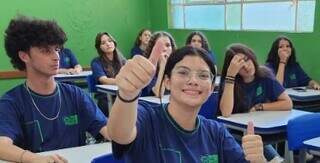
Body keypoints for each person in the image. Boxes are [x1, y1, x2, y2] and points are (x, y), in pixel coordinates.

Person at [107, 44, 267, 162]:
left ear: (211, 88)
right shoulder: (147, 117)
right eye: (183, 72)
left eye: (203, 76)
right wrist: (128, 95)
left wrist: (258, 160)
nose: (193, 81)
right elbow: (119, 134)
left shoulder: (216, 133)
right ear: (167, 81)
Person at [0, 16, 109, 163]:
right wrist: (35, 159)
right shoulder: (11, 102)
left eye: (57, 49)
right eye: (46, 50)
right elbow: (2, 146)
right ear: (24, 56)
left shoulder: (75, 94)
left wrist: (127, 97)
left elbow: (110, 132)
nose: (56, 56)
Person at [219, 43, 293, 162]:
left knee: (259, 141)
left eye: (247, 60)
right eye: (240, 66)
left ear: (252, 56)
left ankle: (276, 159)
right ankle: (276, 159)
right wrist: (230, 75)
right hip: (233, 133)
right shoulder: (231, 83)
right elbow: (226, 112)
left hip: (258, 131)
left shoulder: (265, 75)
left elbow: (287, 103)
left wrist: (260, 106)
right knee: (254, 142)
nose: (247, 67)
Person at [91, 32, 126, 117]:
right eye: (103, 43)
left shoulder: (122, 60)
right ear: (99, 47)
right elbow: (104, 80)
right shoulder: (96, 62)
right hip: (106, 97)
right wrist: (121, 81)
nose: (108, 44)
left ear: (114, 42)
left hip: (122, 93)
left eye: (110, 41)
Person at [141, 31, 176, 97]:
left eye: (168, 45)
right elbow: (158, 93)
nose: (165, 49)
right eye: (160, 46)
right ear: (153, 49)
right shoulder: (148, 67)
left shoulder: (176, 66)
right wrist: (163, 68)